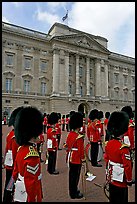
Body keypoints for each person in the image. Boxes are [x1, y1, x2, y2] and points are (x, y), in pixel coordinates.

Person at [12, 106, 43, 202]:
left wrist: (12, 188)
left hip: (20, 190)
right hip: (28, 194)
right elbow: (31, 184)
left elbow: (14, 174)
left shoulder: (21, 149)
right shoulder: (32, 155)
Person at [104, 111, 134, 203]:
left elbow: (106, 159)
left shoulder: (108, 143)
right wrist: (129, 179)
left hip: (112, 176)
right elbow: (127, 166)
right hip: (121, 179)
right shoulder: (123, 148)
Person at [3, 106, 24, 202]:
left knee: (9, 186)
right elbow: (16, 155)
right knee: (11, 186)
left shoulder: (11, 134)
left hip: (9, 165)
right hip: (13, 168)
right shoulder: (15, 137)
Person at [64, 112, 86, 199]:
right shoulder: (79, 137)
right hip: (76, 158)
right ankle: (74, 193)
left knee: (71, 176)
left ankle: (72, 192)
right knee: (75, 176)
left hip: (70, 157)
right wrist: (83, 159)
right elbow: (81, 150)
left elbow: (66, 145)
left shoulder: (70, 134)